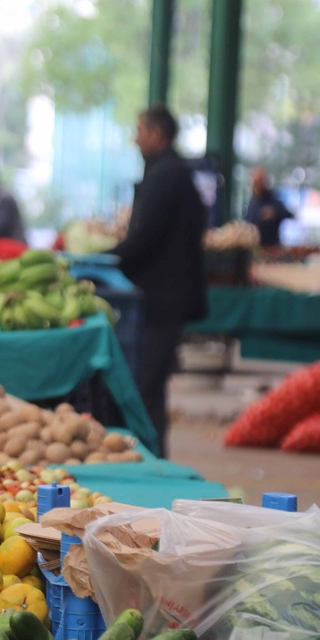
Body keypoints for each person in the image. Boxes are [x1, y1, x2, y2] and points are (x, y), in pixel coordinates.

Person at [108, 105, 207, 458]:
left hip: (162, 299)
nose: (135, 139)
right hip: (167, 296)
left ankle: (150, 460)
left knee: (146, 387)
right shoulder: (172, 172)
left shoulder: (166, 175)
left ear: (156, 134)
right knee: (150, 387)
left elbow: (144, 239)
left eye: (140, 131)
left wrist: (105, 258)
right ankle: (152, 456)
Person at [244, 166, 293, 248]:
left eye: (258, 182)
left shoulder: (272, 199)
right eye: (254, 182)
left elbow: (288, 214)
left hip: (270, 247)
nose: (255, 185)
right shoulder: (252, 200)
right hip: (254, 246)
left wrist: (275, 213)